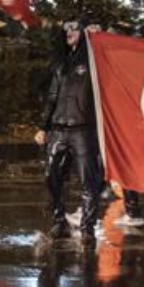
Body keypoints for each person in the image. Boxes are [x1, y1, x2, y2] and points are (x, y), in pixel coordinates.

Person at [38, 19, 105, 242]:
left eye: (74, 28)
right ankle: (59, 222)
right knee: (51, 176)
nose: (69, 32)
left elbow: (112, 57)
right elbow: (52, 96)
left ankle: (87, 228)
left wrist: (99, 36)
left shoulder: (94, 60)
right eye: (66, 28)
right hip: (58, 129)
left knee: (89, 180)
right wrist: (43, 126)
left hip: (83, 130)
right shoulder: (61, 63)